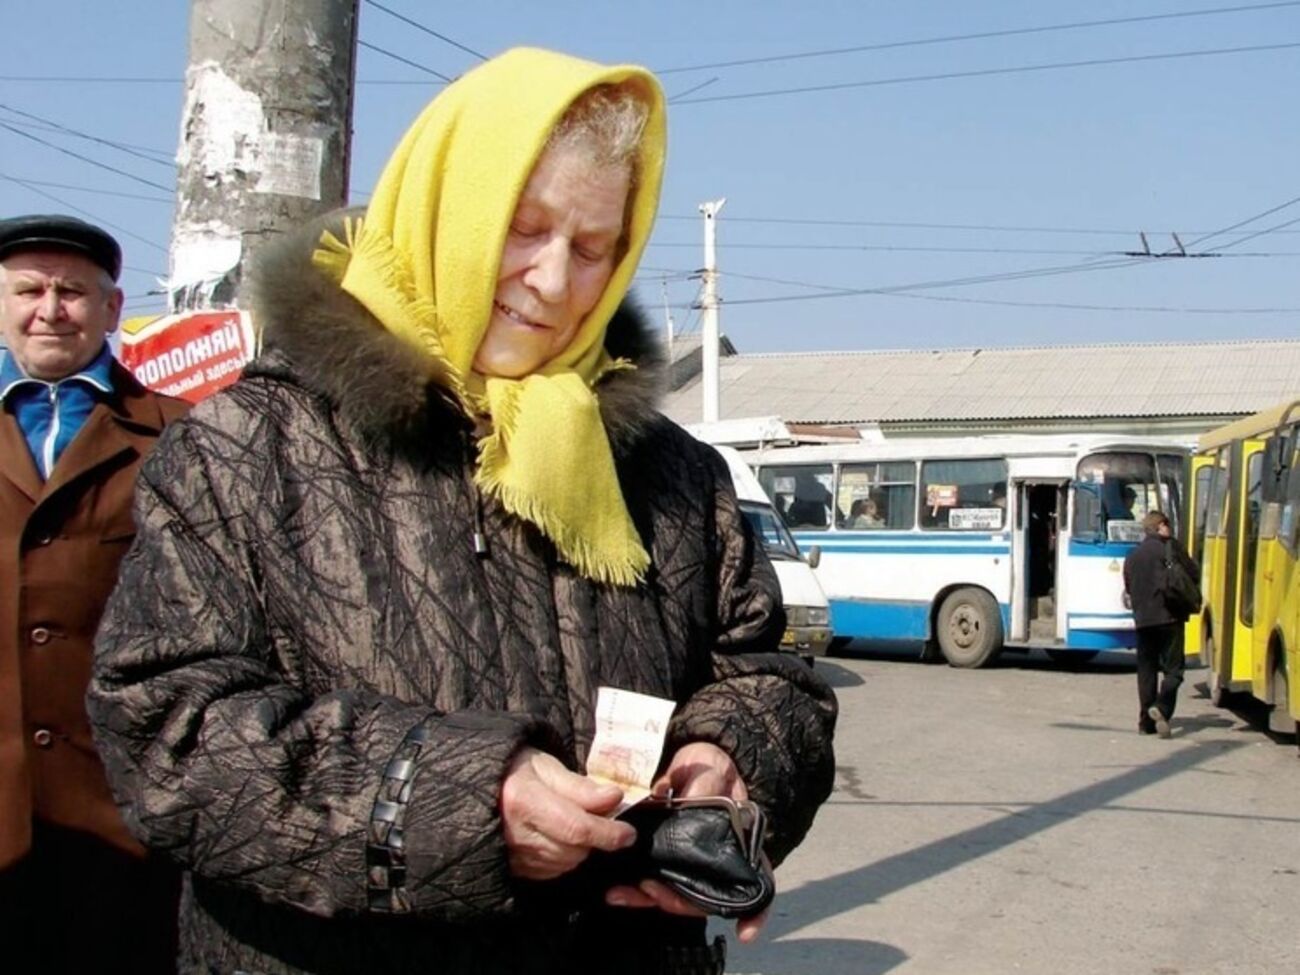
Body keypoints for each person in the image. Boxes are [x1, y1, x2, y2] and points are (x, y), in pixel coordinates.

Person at [87, 48, 837, 975]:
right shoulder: (242, 451)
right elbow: (167, 729)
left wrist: (731, 764)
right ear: (443, 210)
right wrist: (454, 799)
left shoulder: (675, 473)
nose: (552, 281)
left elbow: (769, 672)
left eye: (592, 248)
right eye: (523, 229)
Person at [0, 214, 187, 971]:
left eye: (72, 292)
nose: (50, 310)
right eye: (29, 291)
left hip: (125, 813)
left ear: (112, 309)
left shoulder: (182, 434)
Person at [1123, 511, 1198, 738]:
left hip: (1143, 621)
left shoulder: (1133, 556)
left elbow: (1129, 587)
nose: (1169, 529)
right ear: (1161, 526)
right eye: (1167, 525)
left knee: (1146, 671)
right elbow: (1192, 574)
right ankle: (1162, 707)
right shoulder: (1171, 549)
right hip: (1170, 618)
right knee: (1174, 671)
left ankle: (1146, 723)